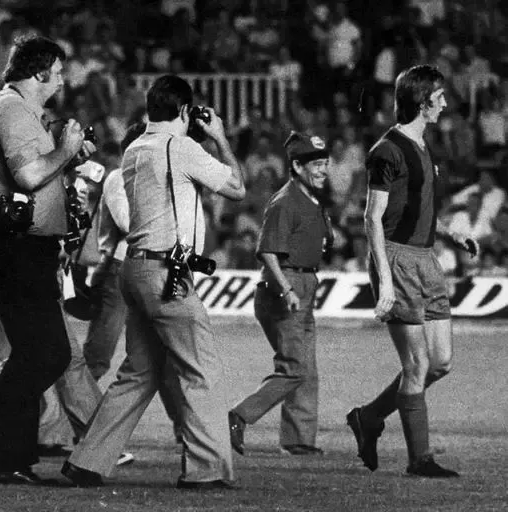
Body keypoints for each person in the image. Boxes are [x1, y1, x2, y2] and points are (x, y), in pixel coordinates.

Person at [61, 74, 245, 489]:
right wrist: (218, 136)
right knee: (201, 369)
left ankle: (87, 460)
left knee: (139, 372)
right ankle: (206, 470)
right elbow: (237, 187)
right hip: (166, 273)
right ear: (184, 110)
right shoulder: (181, 148)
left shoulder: (134, 149)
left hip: (134, 270)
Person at [0, 35, 95, 485]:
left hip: (17, 247)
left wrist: (65, 157)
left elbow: (33, 172)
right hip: (14, 248)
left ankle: (12, 460)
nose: (63, 80)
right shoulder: (11, 109)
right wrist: (64, 150)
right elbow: (28, 175)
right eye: (59, 71)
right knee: (50, 354)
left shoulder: (14, 109)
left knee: (30, 355)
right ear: (40, 71)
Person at [346, 64, 478, 478]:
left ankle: (369, 416)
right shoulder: (387, 151)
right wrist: (385, 281)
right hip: (398, 260)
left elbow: (415, 208)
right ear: (422, 102)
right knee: (417, 364)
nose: (445, 103)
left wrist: (451, 234)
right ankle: (419, 460)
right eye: (439, 97)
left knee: (440, 362)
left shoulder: (422, 146)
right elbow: (372, 219)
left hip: (426, 258)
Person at [228, 132, 331, 457]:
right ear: (297, 166)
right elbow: (268, 252)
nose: (323, 170)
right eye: (316, 164)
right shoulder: (285, 201)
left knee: (306, 369)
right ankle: (238, 416)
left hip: (303, 283)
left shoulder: (311, 199)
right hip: (285, 285)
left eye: (325, 163)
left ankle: (298, 440)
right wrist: (287, 289)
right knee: (295, 368)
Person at [81, 121, 147, 381]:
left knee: (146, 355)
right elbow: (126, 223)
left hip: (145, 269)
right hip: (118, 268)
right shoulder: (118, 178)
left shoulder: (148, 181)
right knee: (99, 354)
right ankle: (69, 402)